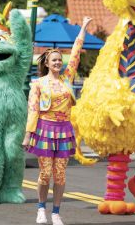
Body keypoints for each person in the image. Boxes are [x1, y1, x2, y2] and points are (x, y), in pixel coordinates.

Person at [23, 17, 92, 225]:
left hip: (63, 131)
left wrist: (83, 28)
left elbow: (76, 53)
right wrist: (28, 135)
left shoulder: (67, 79)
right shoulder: (38, 84)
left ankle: (56, 212)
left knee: (60, 176)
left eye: (59, 60)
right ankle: (41, 209)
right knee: (45, 174)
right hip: (44, 129)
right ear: (46, 63)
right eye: (54, 60)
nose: (58, 63)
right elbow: (33, 109)